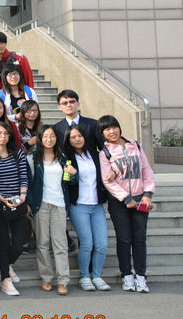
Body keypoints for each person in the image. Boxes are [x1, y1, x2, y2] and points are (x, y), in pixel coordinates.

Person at [98, 115, 155, 293]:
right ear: (102, 133)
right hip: (119, 202)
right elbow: (107, 181)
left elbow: (146, 170)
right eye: (107, 129)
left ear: (119, 127)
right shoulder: (105, 153)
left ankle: (141, 276)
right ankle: (127, 275)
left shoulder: (135, 145)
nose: (112, 131)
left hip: (140, 198)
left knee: (139, 239)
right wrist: (126, 198)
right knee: (124, 239)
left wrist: (147, 193)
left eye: (114, 127)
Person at [27, 125, 74, 295]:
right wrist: (30, 204)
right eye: (45, 136)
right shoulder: (33, 159)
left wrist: (73, 174)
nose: (49, 139)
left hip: (59, 204)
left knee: (60, 244)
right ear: (40, 138)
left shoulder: (63, 157)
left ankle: (63, 280)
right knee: (42, 243)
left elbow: (70, 181)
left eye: (52, 136)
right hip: (41, 204)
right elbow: (28, 183)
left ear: (56, 138)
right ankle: (46, 277)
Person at [64, 125, 111, 291]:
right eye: (73, 137)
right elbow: (66, 181)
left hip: (97, 205)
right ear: (68, 140)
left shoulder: (94, 154)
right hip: (79, 206)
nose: (77, 139)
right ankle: (85, 277)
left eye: (80, 136)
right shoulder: (67, 157)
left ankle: (97, 276)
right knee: (87, 243)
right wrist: (73, 174)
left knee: (102, 244)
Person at [0, 121, 29, 296]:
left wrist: (22, 196)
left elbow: (23, 177)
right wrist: (2, 198)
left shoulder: (18, 154)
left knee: (18, 244)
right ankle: (6, 280)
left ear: (10, 135)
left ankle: (9, 265)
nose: (2, 136)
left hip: (18, 203)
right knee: (3, 242)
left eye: (5, 133)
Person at [54, 89, 102, 154]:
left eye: (72, 102)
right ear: (60, 107)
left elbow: (102, 147)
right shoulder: (56, 128)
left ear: (78, 104)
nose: (69, 105)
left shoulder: (93, 124)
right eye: (65, 103)